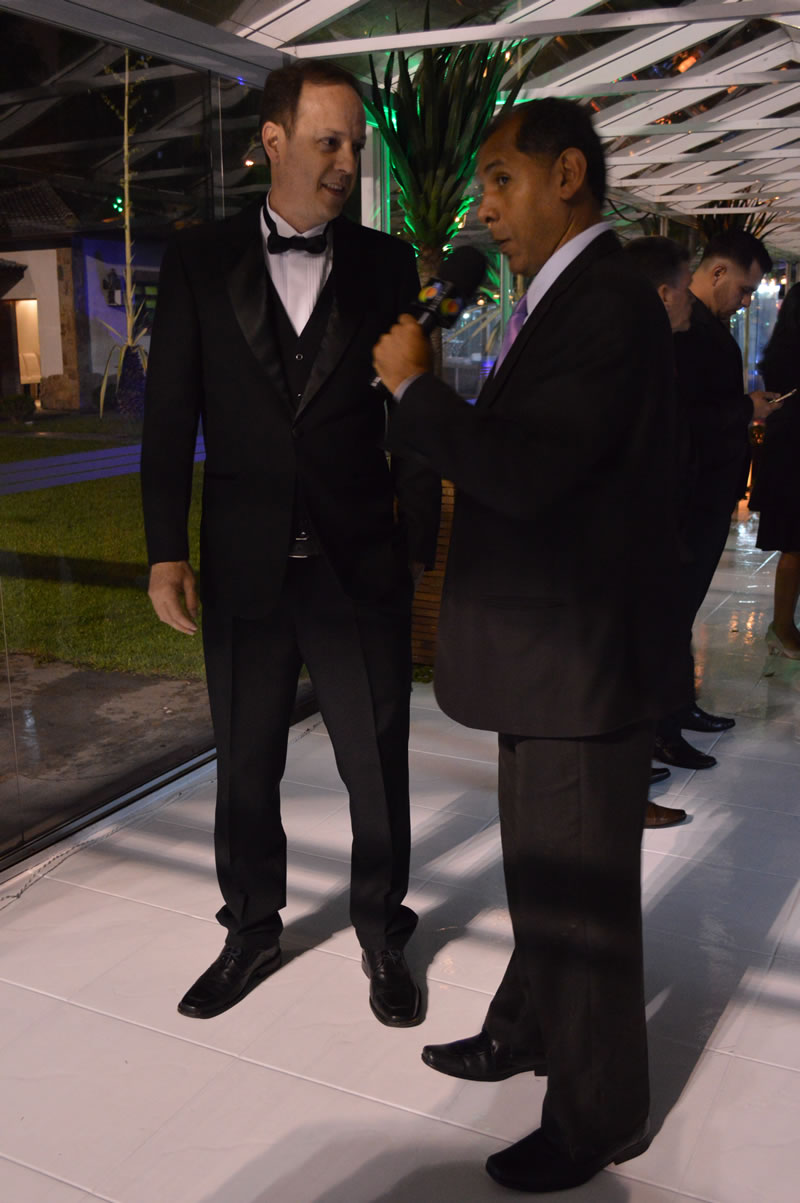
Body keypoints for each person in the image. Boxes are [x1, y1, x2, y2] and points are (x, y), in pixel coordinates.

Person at [374, 98, 682, 1193]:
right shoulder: (571, 298)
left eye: (500, 180)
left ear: (567, 175)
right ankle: (525, 1028)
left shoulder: (605, 305)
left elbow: (525, 471)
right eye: (480, 188)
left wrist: (415, 389)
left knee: (579, 904)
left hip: (576, 665)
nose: (484, 209)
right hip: (545, 658)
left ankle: (599, 1116)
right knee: (544, 876)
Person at [141, 61, 440, 1027]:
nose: (348, 160)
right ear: (273, 141)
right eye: (329, 141)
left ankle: (382, 930)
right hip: (243, 558)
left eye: (356, 143)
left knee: (376, 760)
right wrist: (163, 548)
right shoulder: (198, 258)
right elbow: (169, 413)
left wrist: (418, 536)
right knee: (245, 761)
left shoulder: (387, 263)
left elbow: (410, 408)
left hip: (360, 560)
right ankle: (251, 929)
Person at [624, 235, 694, 828]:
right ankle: (621, 797)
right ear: (665, 293)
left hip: (640, 531)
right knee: (627, 665)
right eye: (686, 289)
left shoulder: (648, 347)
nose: (691, 301)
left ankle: (624, 785)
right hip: (625, 540)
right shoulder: (632, 350)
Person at [750, 281, 800, 660]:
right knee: (795, 544)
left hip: (786, 449)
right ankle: (782, 629)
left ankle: (784, 628)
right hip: (793, 452)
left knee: (795, 544)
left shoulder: (780, 353)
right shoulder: (791, 357)